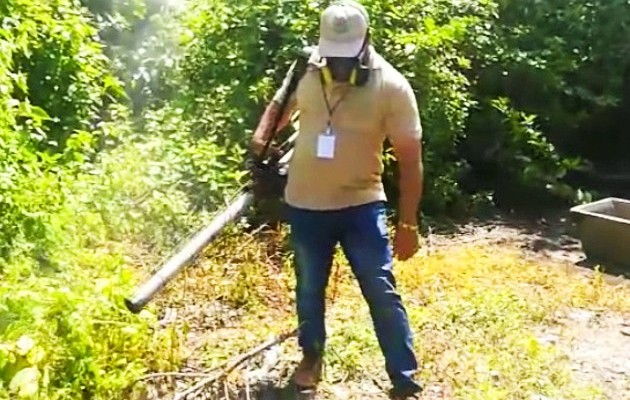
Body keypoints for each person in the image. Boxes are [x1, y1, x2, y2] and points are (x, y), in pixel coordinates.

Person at [249, 1, 424, 398]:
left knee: (380, 287)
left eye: (347, 57)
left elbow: (411, 162)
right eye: (333, 56)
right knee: (309, 287)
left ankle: (403, 376)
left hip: (361, 205)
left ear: (366, 44)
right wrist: (259, 146)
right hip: (306, 205)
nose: (339, 65)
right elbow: (276, 108)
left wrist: (409, 224)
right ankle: (311, 359)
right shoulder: (305, 72)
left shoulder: (391, 86)